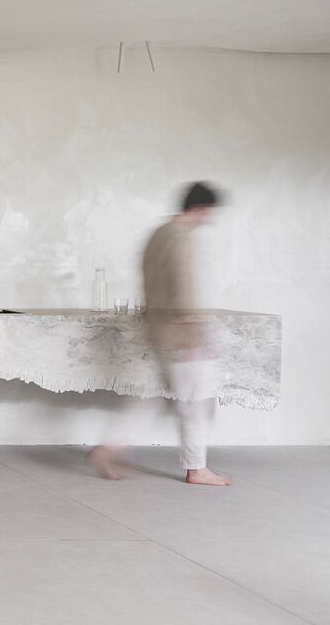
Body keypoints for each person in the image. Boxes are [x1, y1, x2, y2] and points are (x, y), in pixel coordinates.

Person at [91, 182, 233, 484]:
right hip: (182, 333)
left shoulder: (157, 234)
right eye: (210, 212)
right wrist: (195, 330)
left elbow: (146, 280)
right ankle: (197, 469)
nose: (210, 218)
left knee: (153, 397)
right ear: (201, 208)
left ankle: (110, 447)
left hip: (157, 329)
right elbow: (184, 286)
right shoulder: (183, 237)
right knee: (195, 401)